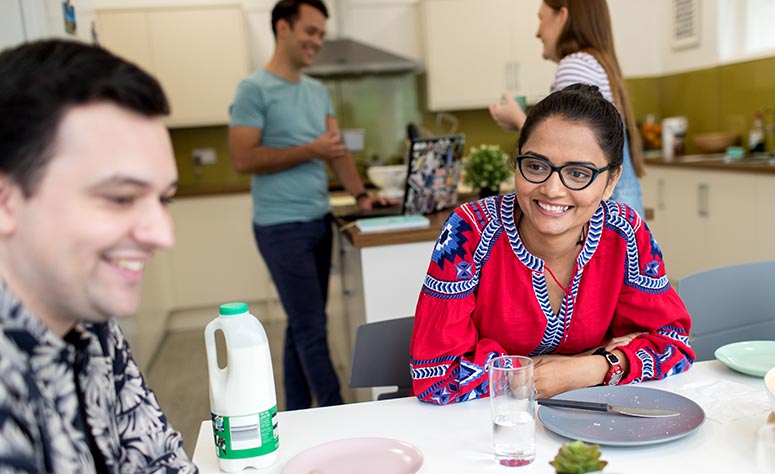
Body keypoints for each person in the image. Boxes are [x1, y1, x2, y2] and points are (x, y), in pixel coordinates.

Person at [411, 84, 694, 405]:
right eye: (535, 166)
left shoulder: (626, 232)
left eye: (578, 173)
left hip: (590, 421)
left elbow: (674, 345)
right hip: (481, 427)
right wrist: (543, 372)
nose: (552, 189)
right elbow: (436, 376)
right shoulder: (470, 231)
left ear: (611, 181)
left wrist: (592, 367)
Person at [0, 40, 196, 471]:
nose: (162, 234)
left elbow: (158, 459)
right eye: (121, 198)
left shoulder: (91, 324)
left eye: (164, 199)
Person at [228, 0, 387, 411]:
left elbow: (336, 152)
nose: (317, 41)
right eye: (311, 31)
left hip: (318, 220)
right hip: (279, 226)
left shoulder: (318, 92)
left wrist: (362, 195)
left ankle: (296, 413)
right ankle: (336, 414)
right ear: (283, 28)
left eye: (321, 34)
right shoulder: (254, 89)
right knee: (312, 327)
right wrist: (309, 149)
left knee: (302, 325)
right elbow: (242, 158)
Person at [488, 0, 645, 216]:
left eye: (541, 18)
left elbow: (564, 145)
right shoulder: (597, 63)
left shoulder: (576, 65)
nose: (537, 32)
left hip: (603, 218)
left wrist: (517, 118)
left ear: (563, 16)